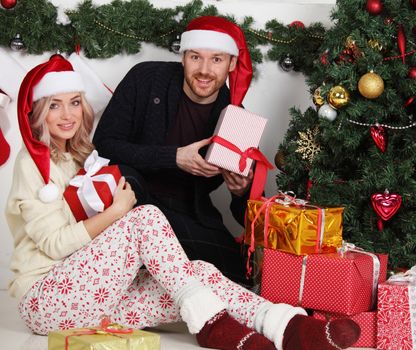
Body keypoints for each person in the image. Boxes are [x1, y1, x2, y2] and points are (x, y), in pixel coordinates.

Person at [6, 55, 361, 350]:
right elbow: (54, 245)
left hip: (93, 295)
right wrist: (117, 212)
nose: (67, 114)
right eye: (55, 105)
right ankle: (210, 323)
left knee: (201, 273)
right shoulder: (31, 163)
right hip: (46, 300)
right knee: (144, 216)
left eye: (74, 102)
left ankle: (287, 327)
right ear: (38, 111)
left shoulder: (78, 154)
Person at [92, 16, 260, 284]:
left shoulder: (238, 120)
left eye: (216, 59)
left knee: (239, 276)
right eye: (195, 57)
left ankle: (157, 266)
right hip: (135, 200)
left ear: (231, 64)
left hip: (189, 213)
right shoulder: (146, 78)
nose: (204, 70)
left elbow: (247, 215)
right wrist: (174, 157)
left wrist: (241, 191)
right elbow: (105, 142)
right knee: (125, 178)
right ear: (183, 57)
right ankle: (160, 264)